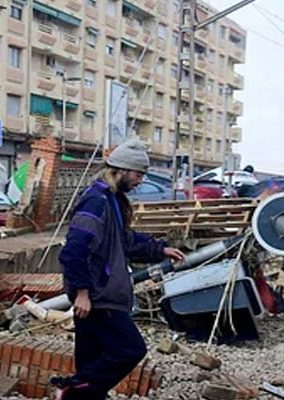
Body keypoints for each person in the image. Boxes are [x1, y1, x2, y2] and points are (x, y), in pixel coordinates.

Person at [54, 140, 186, 400]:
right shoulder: (96, 201)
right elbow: (74, 249)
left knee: (91, 359)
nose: (141, 180)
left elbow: (125, 240)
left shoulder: (112, 200)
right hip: (98, 297)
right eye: (138, 174)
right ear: (122, 170)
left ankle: (77, 393)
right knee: (130, 349)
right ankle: (71, 388)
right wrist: (82, 292)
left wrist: (159, 250)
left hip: (96, 296)